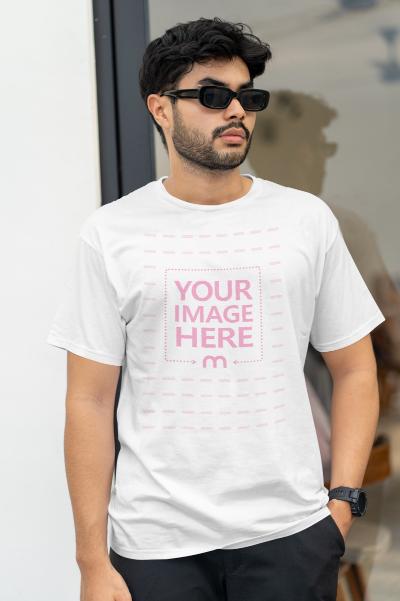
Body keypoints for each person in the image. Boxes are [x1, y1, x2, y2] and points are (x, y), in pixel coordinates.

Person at [46, 16, 386, 601]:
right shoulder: (111, 232)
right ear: (160, 108)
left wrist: (343, 503)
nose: (236, 111)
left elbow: (355, 368)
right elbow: (89, 399)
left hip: (290, 535)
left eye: (247, 97)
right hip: (155, 545)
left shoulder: (304, 221)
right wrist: (91, 562)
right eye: (211, 96)